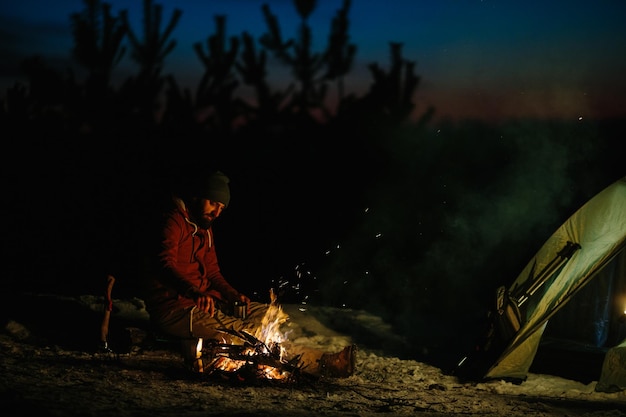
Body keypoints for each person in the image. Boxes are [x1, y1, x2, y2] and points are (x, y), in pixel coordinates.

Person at [142, 170, 356, 378]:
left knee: (272, 316)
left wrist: (232, 295)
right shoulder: (172, 222)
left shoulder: (205, 229)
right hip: (175, 308)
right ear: (198, 196)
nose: (217, 213)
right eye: (213, 203)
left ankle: (311, 358)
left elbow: (214, 272)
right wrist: (194, 292)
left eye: (221, 208)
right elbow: (164, 266)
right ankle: (321, 364)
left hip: (206, 301)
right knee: (249, 334)